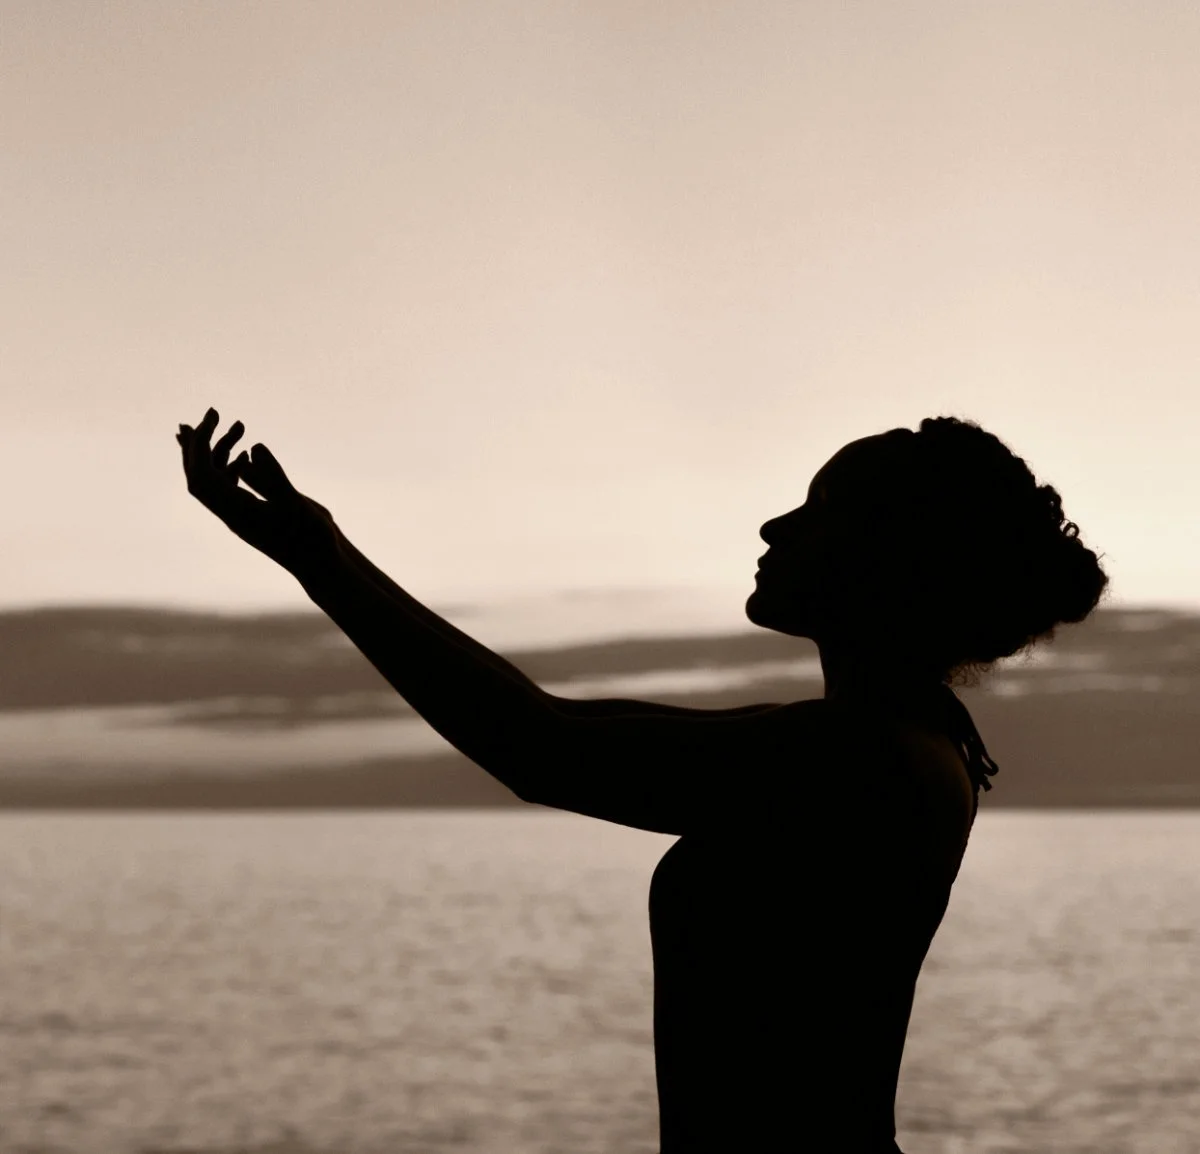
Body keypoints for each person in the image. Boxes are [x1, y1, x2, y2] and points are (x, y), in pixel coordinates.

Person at [178, 409, 1110, 1152]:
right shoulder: (883, 738)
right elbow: (560, 721)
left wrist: (321, 563)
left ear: (885, 561)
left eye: (818, 509)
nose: (775, 524)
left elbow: (537, 751)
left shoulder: (857, 758)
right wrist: (326, 554)